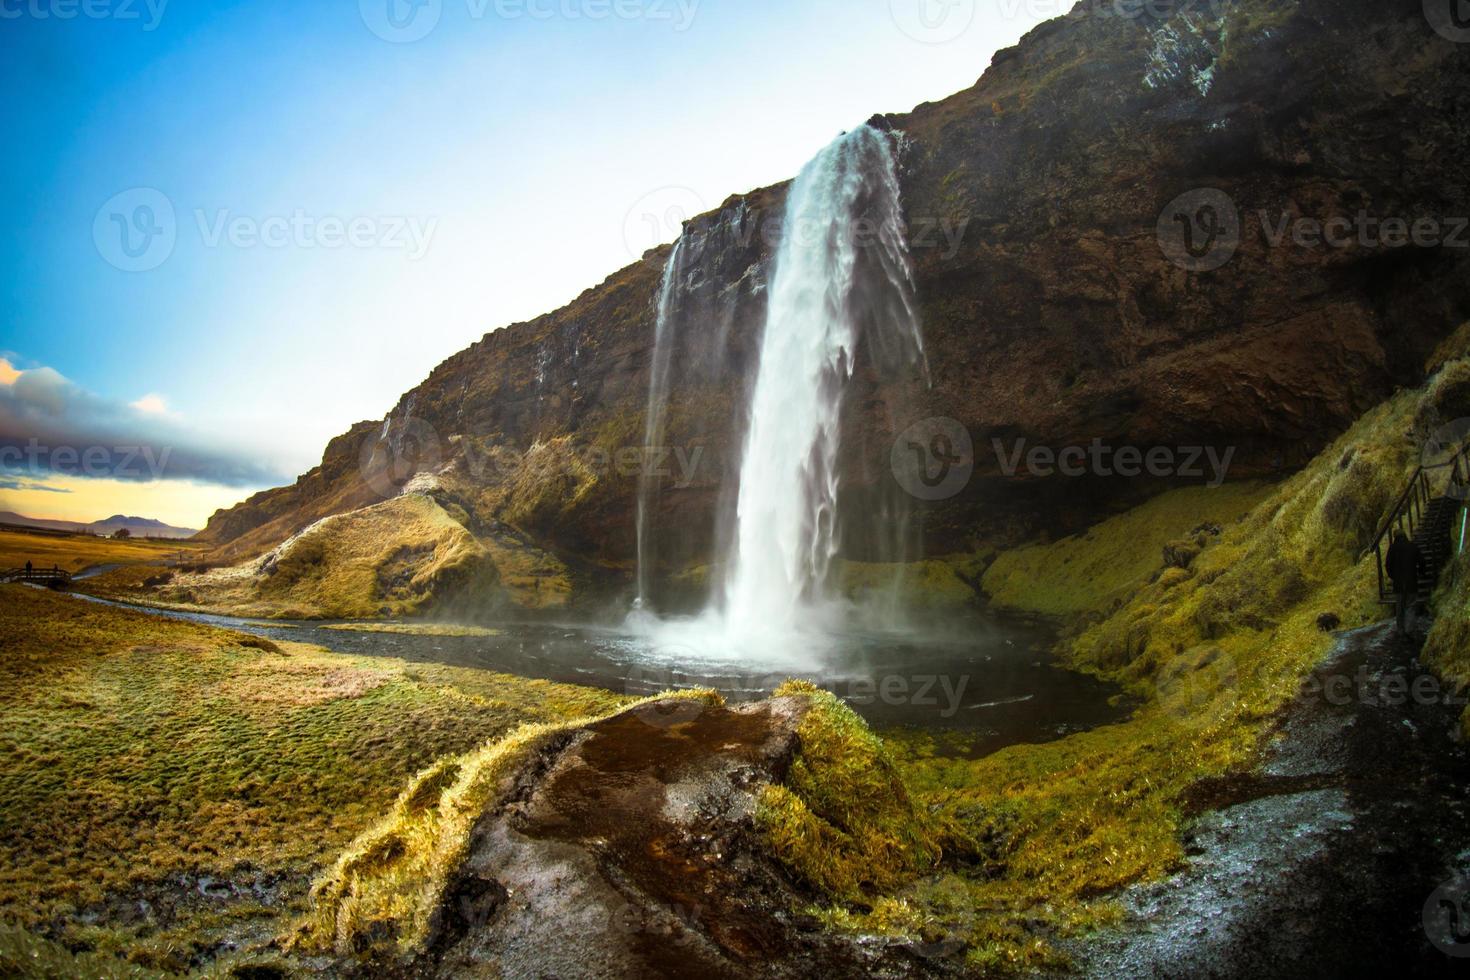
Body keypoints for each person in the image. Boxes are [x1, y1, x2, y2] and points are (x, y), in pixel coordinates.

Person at [1387, 530, 1425, 632]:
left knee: (1399, 607)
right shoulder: (1412, 546)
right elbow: (1421, 561)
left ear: (1395, 537)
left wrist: (1393, 576)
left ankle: (1401, 630)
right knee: (1410, 606)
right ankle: (1410, 629)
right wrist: (1421, 573)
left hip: (1398, 584)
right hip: (1412, 582)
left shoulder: (1392, 548)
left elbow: (1388, 565)